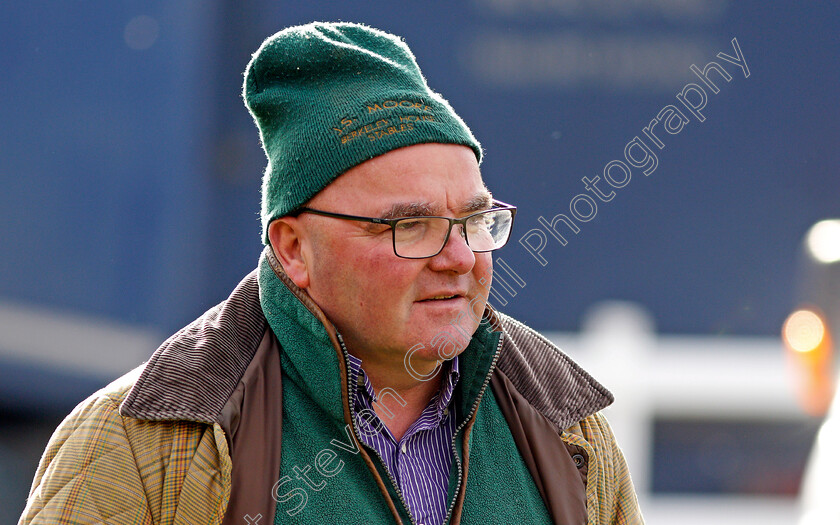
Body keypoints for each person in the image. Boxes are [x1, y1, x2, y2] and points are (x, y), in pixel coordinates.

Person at [20, 22, 643, 525]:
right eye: (410, 226)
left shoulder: (566, 431)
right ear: (293, 248)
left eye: (475, 220)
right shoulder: (150, 443)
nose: (459, 257)